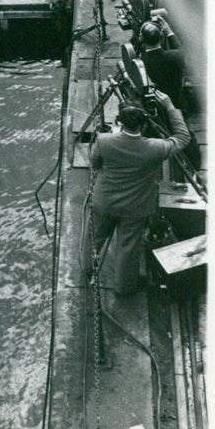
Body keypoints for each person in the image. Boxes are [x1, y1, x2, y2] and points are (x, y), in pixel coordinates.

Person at [82, 97, 190, 294]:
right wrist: (169, 106)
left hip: (104, 201)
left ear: (120, 121)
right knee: (128, 248)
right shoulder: (156, 148)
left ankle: (86, 269)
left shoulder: (104, 141)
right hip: (136, 206)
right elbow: (183, 138)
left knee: (93, 238)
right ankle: (124, 287)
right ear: (144, 123)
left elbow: (95, 163)